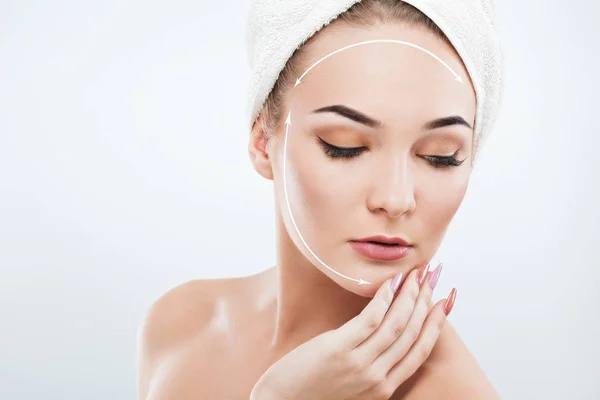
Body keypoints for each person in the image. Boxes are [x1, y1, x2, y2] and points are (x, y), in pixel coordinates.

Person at [136, 0, 504, 398]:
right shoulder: (181, 324)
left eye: (441, 156)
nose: (396, 199)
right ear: (263, 141)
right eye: (344, 147)